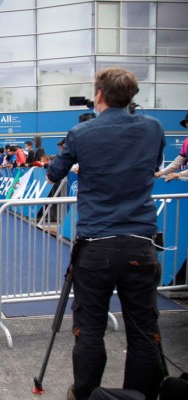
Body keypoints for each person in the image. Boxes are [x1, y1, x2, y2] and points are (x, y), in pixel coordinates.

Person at [46, 67, 166, 400]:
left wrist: (77, 163)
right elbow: (152, 164)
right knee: (143, 330)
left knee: (90, 330)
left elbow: (53, 173)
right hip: (140, 245)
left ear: (99, 95)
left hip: (95, 247)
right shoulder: (154, 128)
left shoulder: (81, 133)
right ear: (132, 96)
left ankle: (84, 394)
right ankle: (140, 395)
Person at [155, 113, 188, 182]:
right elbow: (179, 161)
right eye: (187, 124)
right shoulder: (186, 141)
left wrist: (180, 174)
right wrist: (162, 172)